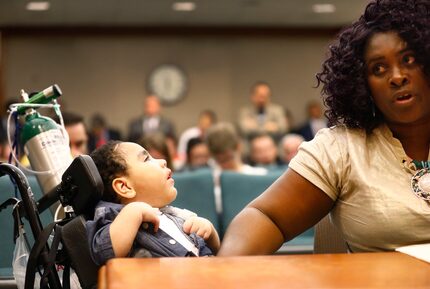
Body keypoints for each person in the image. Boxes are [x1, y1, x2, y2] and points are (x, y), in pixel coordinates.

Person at [218, 0, 430, 255]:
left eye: (408, 59)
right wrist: (227, 272)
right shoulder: (340, 149)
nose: (397, 76)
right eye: (379, 68)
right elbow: (266, 216)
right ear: (364, 86)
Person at [87, 141, 220, 265]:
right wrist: (133, 212)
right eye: (147, 159)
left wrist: (210, 234)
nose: (163, 161)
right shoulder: (119, 219)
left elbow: (216, 252)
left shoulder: (176, 216)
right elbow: (104, 252)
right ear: (124, 187)